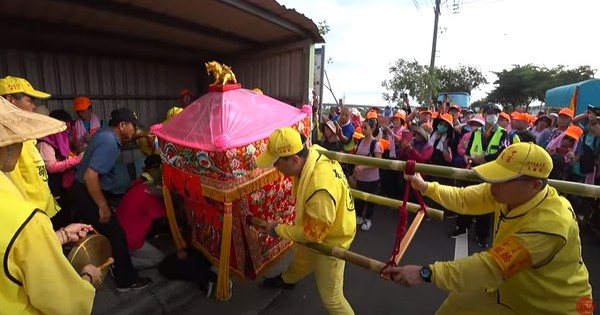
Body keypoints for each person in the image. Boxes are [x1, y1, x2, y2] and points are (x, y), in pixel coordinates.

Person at [382, 142, 592, 315]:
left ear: (535, 185)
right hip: (508, 288)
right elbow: (465, 198)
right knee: (455, 305)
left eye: (503, 179)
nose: (493, 184)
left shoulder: (552, 223)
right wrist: (426, 187)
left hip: (551, 306)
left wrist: (426, 273)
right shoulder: (508, 193)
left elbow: (490, 267)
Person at [0, 96, 101, 315]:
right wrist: (88, 278)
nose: (22, 145)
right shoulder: (24, 218)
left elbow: (10, 256)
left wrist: (61, 235)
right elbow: (67, 304)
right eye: (17, 138)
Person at [257, 128, 356, 315]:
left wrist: (277, 229)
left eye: (277, 163)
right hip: (325, 227)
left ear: (294, 159)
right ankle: (286, 280)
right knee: (302, 258)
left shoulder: (320, 189)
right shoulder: (314, 152)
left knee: (332, 298)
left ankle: (287, 279)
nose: (276, 168)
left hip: (332, 242)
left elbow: (313, 235)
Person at [70, 107, 152, 292]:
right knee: (116, 235)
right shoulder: (109, 142)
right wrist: (102, 206)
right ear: (122, 125)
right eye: (133, 126)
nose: (134, 130)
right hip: (88, 193)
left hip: (83, 190)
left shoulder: (105, 133)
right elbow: (91, 176)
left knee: (109, 233)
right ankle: (126, 280)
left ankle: (114, 266)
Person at [0, 76, 62, 221]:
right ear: (10, 100)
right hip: (31, 219)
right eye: (29, 100)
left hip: (45, 213)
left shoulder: (27, 136)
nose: (34, 107)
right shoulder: (9, 142)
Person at [116, 155, 167, 269]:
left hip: (119, 232)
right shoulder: (149, 193)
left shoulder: (137, 182)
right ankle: (120, 263)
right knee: (159, 259)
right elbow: (167, 217)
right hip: (130, 239)